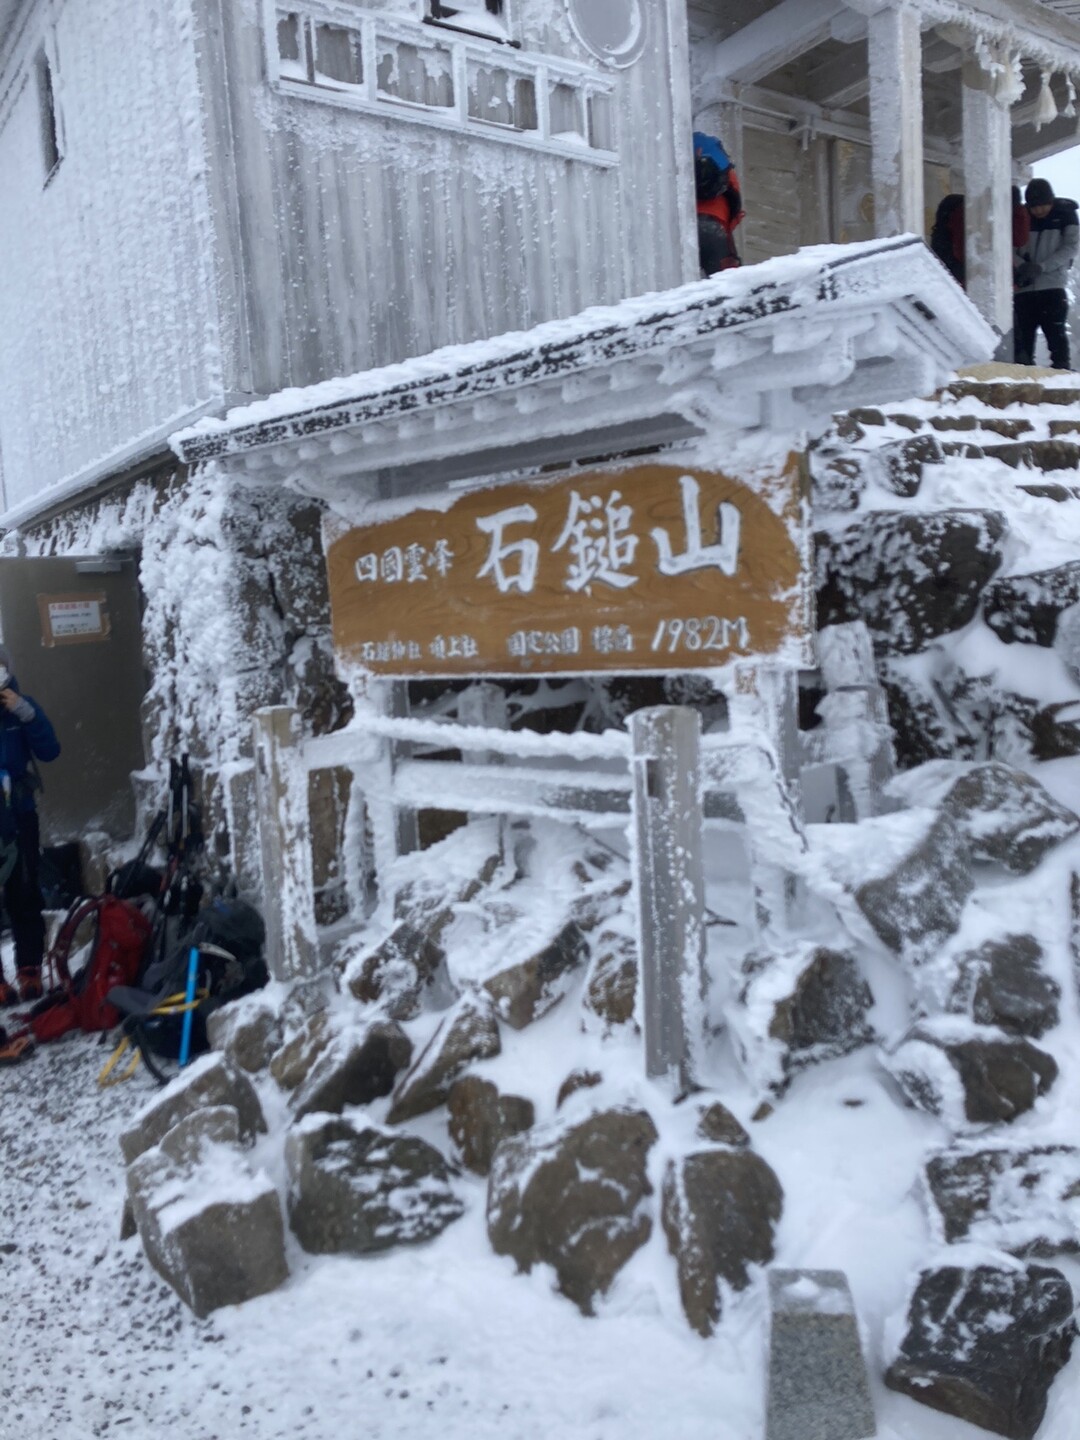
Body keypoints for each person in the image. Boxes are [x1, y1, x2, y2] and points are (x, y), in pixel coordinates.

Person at [0, 646, 60, 1007]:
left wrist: (26, 713)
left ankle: (29, 969)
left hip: (19, 813)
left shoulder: (22, 707)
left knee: (24, 891)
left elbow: (50, 751)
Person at [1014, 177, 1079, 370]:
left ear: (1051, 201)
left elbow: (1070, 247)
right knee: (1023, 343)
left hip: (1052, 288)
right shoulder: (1021, 217)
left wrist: (1042, 266)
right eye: (1034, 207)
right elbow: (1006, 244)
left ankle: (1062, 377)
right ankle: (1023, 378)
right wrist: (1021, 266)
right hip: (1024, 288)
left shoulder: (1066, 215)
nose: (1039, 211)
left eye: (1043, 205)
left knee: (1056, 338)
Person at [693, 131, 744, 276]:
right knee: (726, 281)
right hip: (714, 227)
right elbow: (735, 203)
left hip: (684, 225)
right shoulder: (726, 171)